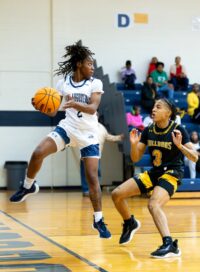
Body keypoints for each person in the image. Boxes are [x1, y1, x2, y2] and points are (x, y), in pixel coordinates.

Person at [10, 41, 111, 239]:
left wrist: (76, 104)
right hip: (68, 128)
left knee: (92, 177)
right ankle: (29, 186)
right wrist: (41, 106)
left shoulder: (95, 84)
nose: (92, 67)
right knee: (38, 152)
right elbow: (54, 111)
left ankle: (98, 220)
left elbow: (92, 108)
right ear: (79, 64)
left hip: (89, 133)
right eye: (89, 64)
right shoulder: (63, 82)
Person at [112, 98, 198, 258]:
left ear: (168, 112)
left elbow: (194, 157)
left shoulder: (178, 130)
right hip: (155, 172)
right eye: (153, 106)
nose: (153, 109)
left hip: (172, 172)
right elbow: (136, 158)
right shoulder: (148, 130)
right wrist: (133, 144)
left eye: (158, 107)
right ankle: (130, 223)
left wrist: (180, 146)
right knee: (117, 194)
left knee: (153, 204)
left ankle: (170, 244)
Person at [81, 122, 124, 196]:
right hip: (85, 155)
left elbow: (108, 137)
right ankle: (86, 190)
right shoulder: (84, 125)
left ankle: (95, 189)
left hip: (97, 156)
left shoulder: (101, 127)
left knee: (97, 173)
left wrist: (119, 137)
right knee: (85, 173)